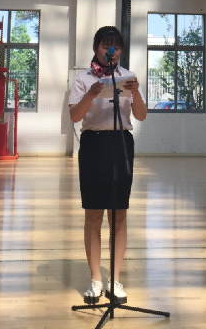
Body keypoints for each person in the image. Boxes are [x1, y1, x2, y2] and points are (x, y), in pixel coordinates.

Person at [69, 26, 147, 304]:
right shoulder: (83, 78)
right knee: (93, 214)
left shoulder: (128, 77)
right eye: (105, 45)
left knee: (118, 213)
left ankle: (115, 279)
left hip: (121, 144)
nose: (110, 50)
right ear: (96, 48)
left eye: (115, 46)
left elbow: (140, 115)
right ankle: (95, 279)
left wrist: (136, 93)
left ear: (121, 51)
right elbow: (75, 116)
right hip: (93, 145)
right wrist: (90, 95)